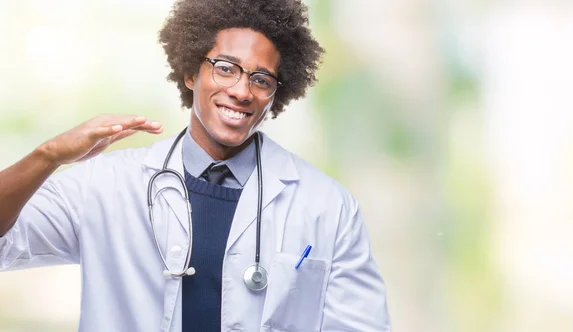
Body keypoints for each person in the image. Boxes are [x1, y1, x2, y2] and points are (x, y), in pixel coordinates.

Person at [0, 0, 390, 331]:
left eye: (261, 79)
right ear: (190, 72)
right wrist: (47, 156)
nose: (241, 90)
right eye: (225, 67)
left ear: (276, 94)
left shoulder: (327, 206)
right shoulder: (105, 185)